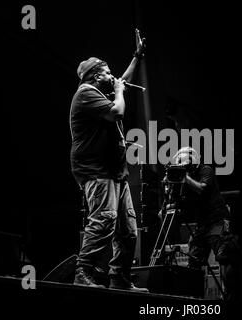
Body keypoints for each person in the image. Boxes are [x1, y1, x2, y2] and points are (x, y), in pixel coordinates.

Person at [69, 30, 148, 292]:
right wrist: (118, 91)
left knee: (128, 231)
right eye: (107, 72)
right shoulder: (86, 93)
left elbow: (121, 82)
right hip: (95, 169)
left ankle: (120, 279)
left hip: (115, 170)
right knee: (104, 219)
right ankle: (83, 273)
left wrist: (137, 56)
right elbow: (118, 111)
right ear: (95, 76)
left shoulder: (99, 90)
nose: (112, 76)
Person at [168, 147, 240, 300]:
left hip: (217, 220)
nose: (182, 169)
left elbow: (202, 189)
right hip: (201, 225)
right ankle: (194, 299)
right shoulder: (184, 179)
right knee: (193, 261)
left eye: (184, 165)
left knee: (224, 256)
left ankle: (230, 296)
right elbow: (178, 202)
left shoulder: (206, 170)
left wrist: (185, 178)